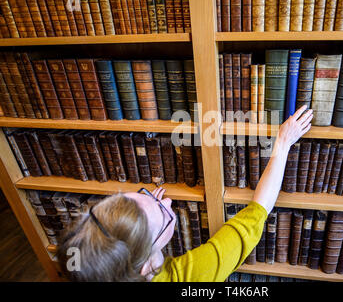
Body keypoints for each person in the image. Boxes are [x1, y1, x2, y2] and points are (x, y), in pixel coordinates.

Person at [57, 106, 313, 281]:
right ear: (147, 266)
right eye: (163, 211)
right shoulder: (189, 277)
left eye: (141, 194)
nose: (166, 199)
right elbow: (258, 211)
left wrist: (150, 215)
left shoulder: (85, 266)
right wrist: (282, 142)